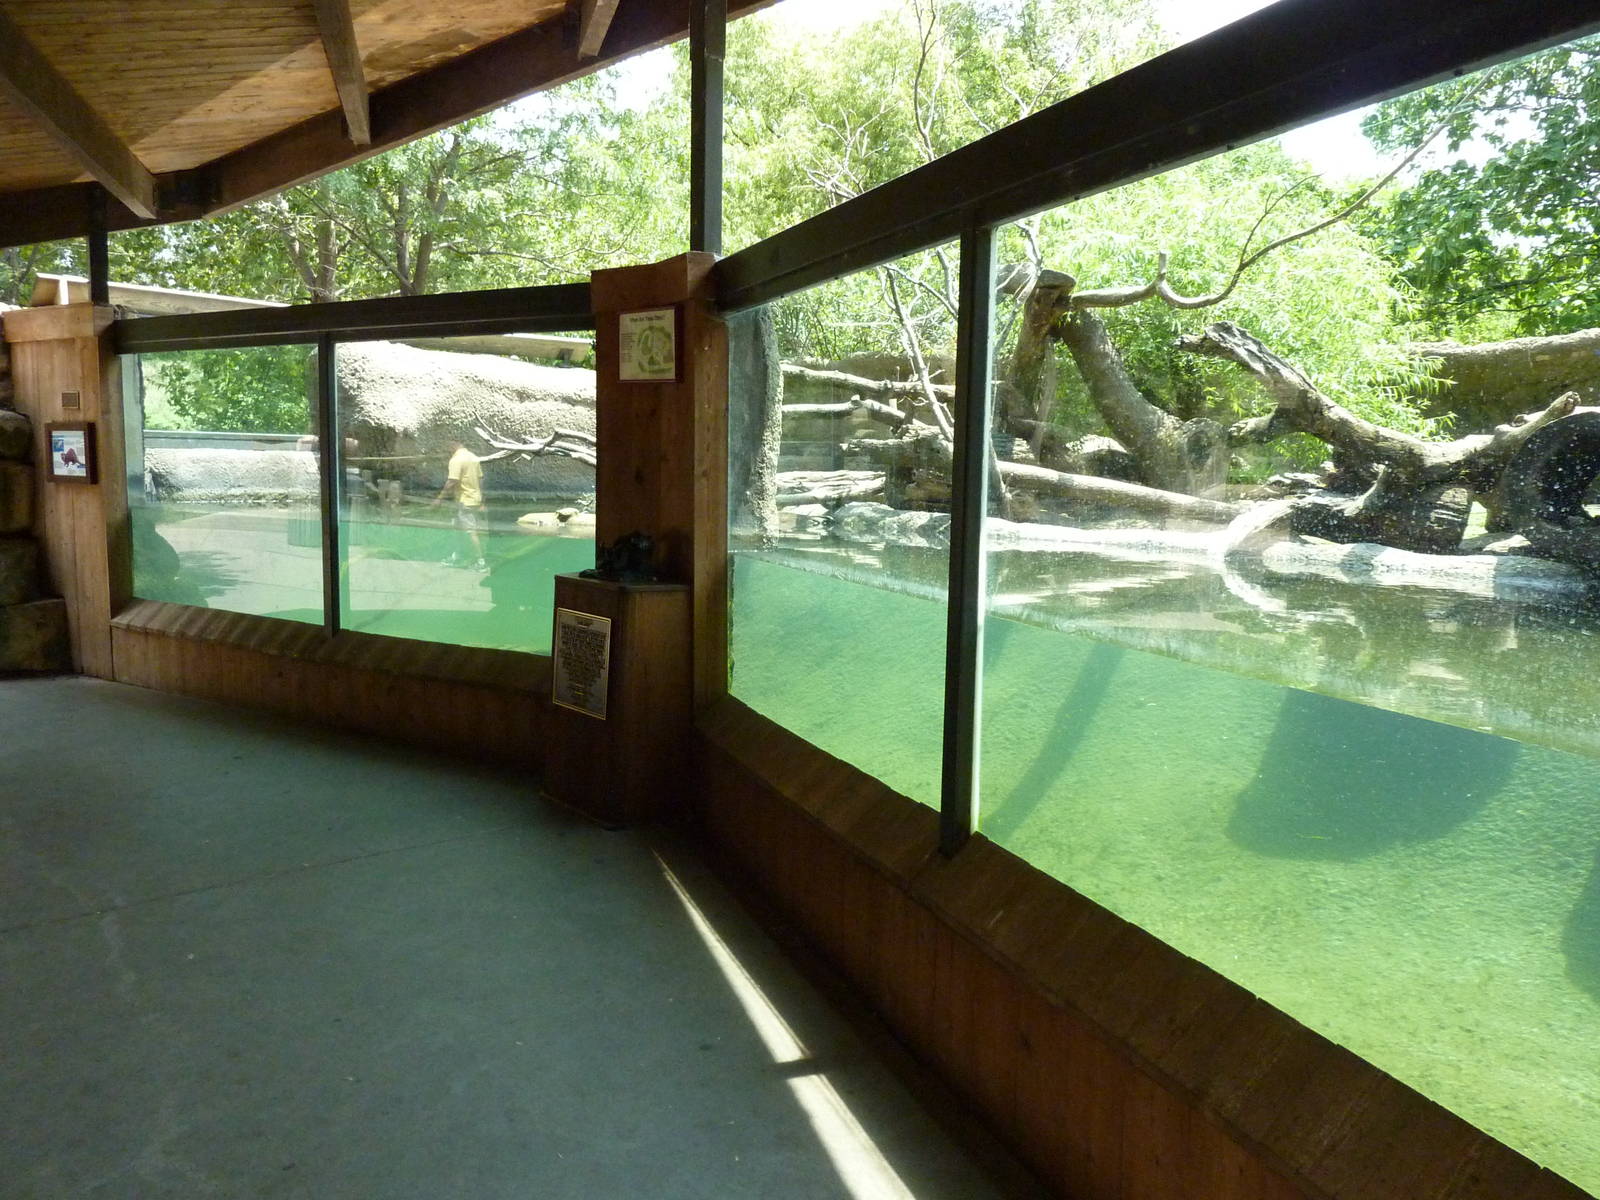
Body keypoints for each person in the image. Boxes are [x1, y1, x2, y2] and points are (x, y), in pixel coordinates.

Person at [433, 439, 487, 570]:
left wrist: (439, 499)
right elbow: (480, 479)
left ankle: (481, 563)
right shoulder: (473, 457)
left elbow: (451, 481)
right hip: (473, 499)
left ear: (452, 445)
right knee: (457, 529)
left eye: (447, 447)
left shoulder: (456, 460)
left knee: (470, 532)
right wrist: (481, 500)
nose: (447, 451)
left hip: (465, 501)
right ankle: (457, 555)